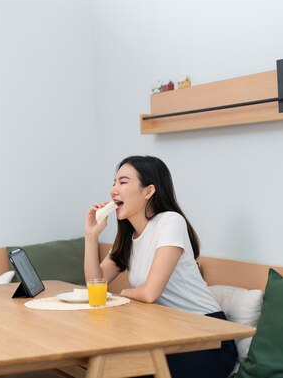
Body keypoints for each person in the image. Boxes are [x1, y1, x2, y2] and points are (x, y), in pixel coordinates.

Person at [84, 155, 237, 378]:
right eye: (114, 183)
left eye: (123, 182)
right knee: (110, 366)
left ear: (148, 191)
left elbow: (149, 293)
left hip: (206, 336)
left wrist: (123, 294)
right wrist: (91, 237)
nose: (113, 190)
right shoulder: (128, 237)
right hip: (168, 335)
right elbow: (95, 285)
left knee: (127, 370)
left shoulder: (170, 222)